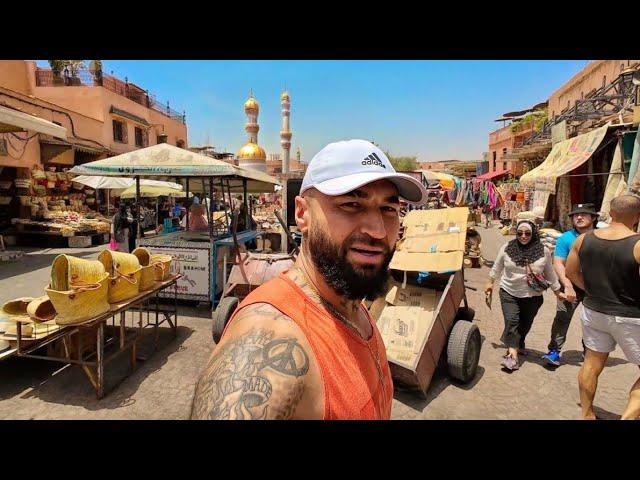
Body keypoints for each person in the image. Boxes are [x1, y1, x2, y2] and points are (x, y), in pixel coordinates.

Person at [191, 139, 427, 420]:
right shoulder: (266, 338)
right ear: (302, 213)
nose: (377, 230)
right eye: (351, 204)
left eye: (388, 209)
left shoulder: (350, 301)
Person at [565, 194, 640, 420]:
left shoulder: (583, 239)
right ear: (637, 216)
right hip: (630, 316)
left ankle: (587, 415)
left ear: (610, 212)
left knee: (591, 363)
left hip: (594, 311)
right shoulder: (637, 244)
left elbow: (570, 272)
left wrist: (590, 290)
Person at [485, 219, 565, 371]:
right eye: (520, 233)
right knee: (512, 320)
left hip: (533, 296)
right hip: (509, 292)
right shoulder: (507, 248)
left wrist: (557, 291)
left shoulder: (544, 251)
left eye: (527, 233)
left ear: (533, 233)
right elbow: (497, 267)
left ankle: (518, 343)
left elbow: (550, 273)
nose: (523, 236)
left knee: (525, 323)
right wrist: (490, 283)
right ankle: (512, 355)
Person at [542, 204, 598, 367]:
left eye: (584, 214)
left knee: (592, 321)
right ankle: (554, 351)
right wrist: (567, 285)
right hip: (570, 284)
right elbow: (558, 262)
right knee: (562, 318)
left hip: (594, 288)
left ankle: (590, 352)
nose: (579, 217)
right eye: (575, 215)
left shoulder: (601, 237)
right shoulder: (566, 238)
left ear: (593, 218)